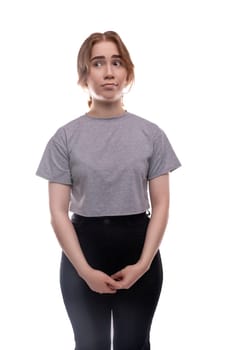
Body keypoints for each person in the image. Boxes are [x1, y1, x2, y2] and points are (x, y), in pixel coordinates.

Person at [36, 30, 181, 350]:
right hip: (83, 249)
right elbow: (58, 212)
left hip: (139, 246)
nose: (108, 71)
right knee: (90, 343)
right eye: (98, 63)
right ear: (83, 74)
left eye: (116, 62)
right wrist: (85, 270)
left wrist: (143, 264)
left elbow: (162, 205)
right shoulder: (65, 138)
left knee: (133, 343)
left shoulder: (151, 134)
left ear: (128, 71)